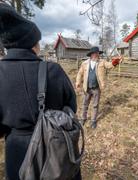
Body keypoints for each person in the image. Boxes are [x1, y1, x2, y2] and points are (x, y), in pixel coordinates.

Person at [0, 3, 81, 180]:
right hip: (56, 148)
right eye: (37, 41)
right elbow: (71, 107)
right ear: (32, 44)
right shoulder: (53, 71)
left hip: (17, 154)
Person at [76, 47, 121, 129]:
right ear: (91, 55)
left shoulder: (102, 62)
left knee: (95, 105)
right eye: (95, 53)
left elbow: (110, 65)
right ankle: (83, 118)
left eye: (98, 53)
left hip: (97, 88)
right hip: (87, 88)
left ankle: (93, 120)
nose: (97, 55)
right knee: (85, 104)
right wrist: (78, 82)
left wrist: (116, 62)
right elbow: (79, 73)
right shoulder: (85, 63)